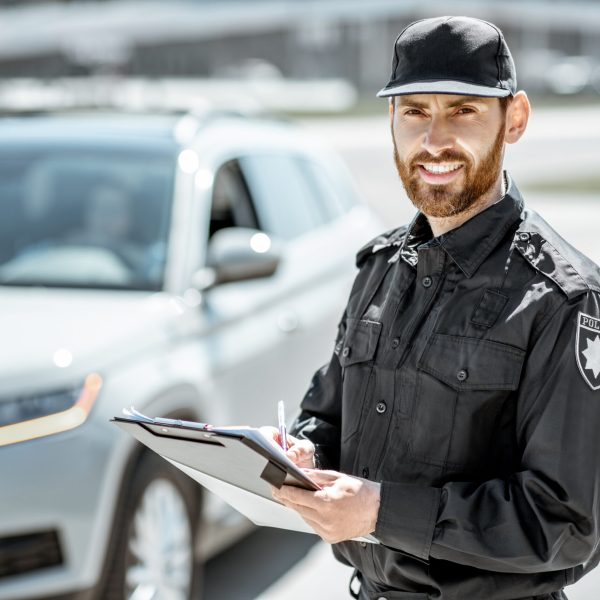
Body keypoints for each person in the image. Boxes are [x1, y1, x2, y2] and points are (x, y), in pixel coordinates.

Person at [266, 16, 600, 600]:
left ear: (513, 119)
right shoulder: (379, 268)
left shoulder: (563, 299)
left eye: (463, 111)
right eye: (415, 111)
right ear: (392, 122)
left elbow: (568, 525)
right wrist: (301, 452)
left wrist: (380, 512)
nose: (434, 140)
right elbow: (328, 414)